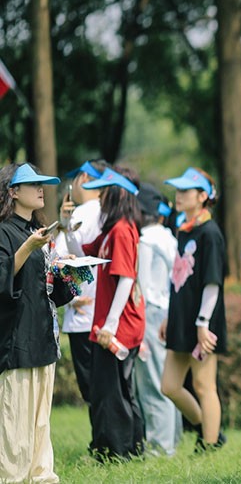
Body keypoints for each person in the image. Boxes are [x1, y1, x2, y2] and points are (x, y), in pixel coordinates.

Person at [0, 163, 73, 483]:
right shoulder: (5, 232)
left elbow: (47, 290)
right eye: (33, 184)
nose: (41, 189)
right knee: (15, 424)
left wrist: (68, 273)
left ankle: (42, 478)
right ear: (13, 192)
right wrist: (28, 248)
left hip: (43, 337)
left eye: (42, 183)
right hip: (16, 342)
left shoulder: (38, 232)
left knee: (41, 424)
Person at [77, 166, 146, 461]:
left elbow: (126, 278)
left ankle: (117, 451)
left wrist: (111, 324)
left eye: (105, 191)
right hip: (110, 322)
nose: (101, 197)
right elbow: (84, 254)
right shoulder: (111, 231)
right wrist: (67, 226)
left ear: (117, 193)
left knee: (113, 391)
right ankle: (128, 447)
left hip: (118, 325)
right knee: (114, 388)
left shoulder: (122, 231)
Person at [159, 167, 228, 452]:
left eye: (185, 191)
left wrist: (203, 323)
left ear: (202, 196)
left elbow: (213, 283)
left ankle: (209, 445)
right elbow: (178, 279)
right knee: (169, 386)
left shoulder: (210, 233)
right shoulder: (184, 230)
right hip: (180, 318)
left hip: (203, 320)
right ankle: (208, 429)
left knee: (203, 384)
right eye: (178, 190)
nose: (179, 195)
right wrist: (169, 316)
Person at [134, 183, 182, 456]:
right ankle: (172, 440)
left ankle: (160, 447)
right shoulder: (169, 237)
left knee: (152, 381)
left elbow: (141, 286)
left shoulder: (145, 241)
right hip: (169, 312)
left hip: (150, 313)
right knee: (168, 379)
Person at [55, 159, 107, 406]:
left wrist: (71, 296)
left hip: (82, 313)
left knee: (92, 390)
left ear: (84, 178)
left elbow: (59, 259)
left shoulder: (80, 214)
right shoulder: (109, 213)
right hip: (105, 313)